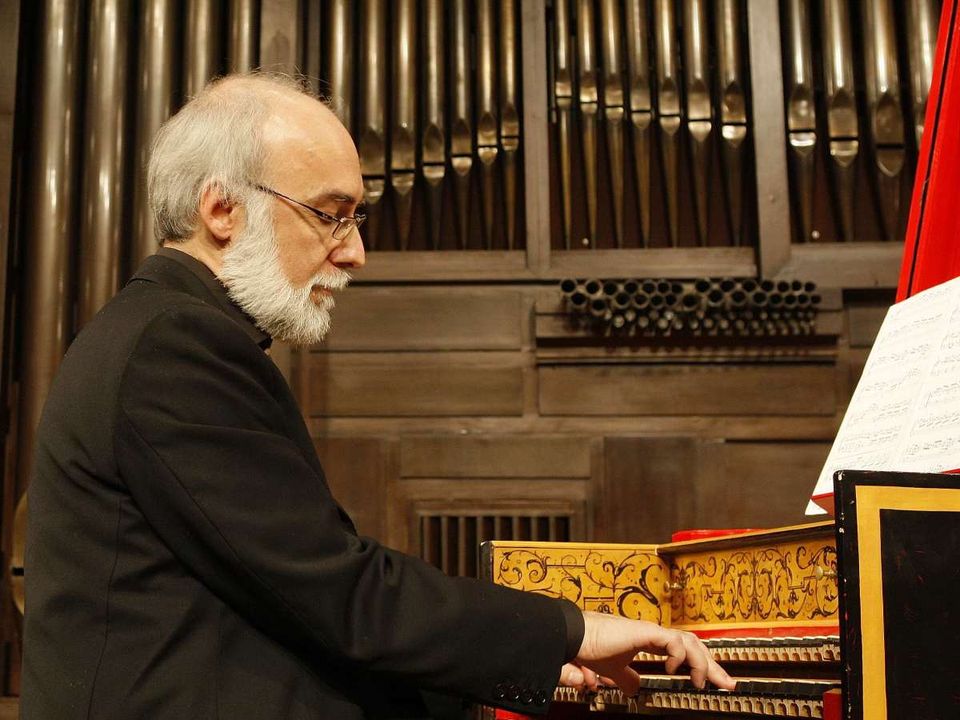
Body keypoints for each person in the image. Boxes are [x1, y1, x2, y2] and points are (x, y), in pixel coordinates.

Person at [22, 73, 734, 719]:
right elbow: (339, 594)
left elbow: (285, 606)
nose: (355, 250)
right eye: (332, 214)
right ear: (222, 210)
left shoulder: (167, 333)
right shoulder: (176, 347)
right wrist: (571, 629)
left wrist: (525, 667)